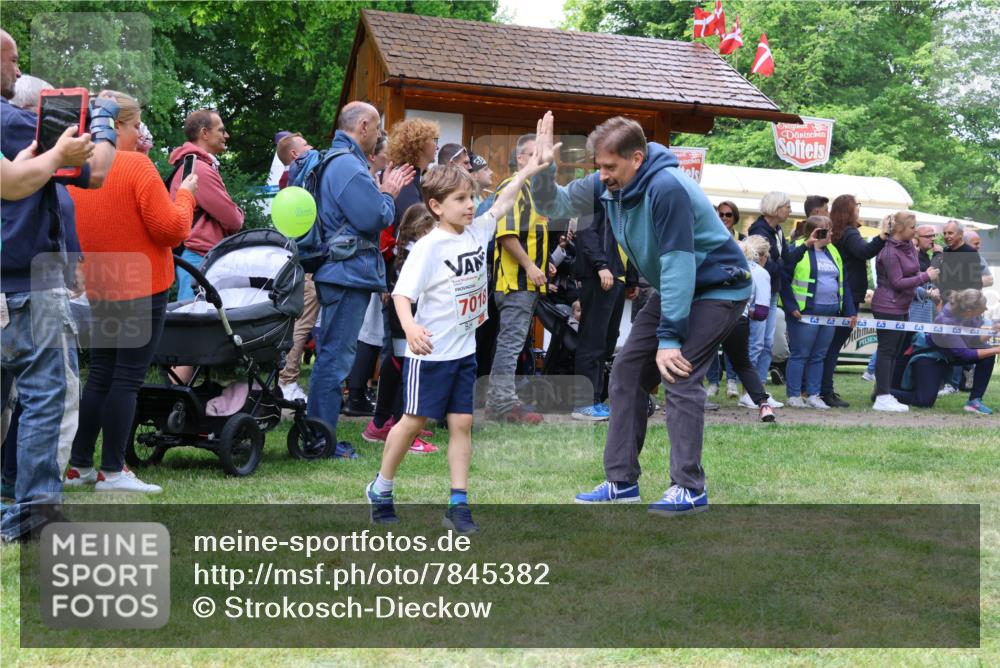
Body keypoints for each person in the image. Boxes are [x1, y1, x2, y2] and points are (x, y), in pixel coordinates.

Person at [531, 112, 752, 515]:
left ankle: (689, 487)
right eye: (598, 166)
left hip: (718, 287)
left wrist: (669, 339)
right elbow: (553, 204)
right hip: (677, 286)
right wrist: (544, 168)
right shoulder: (609, 184)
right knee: (627, 373)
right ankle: (621, 482)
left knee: (678, 371)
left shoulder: (666, 188)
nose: (602, 175)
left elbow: (679, 264)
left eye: (610, 167)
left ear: (636, 158)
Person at [365, 155, 550, 532]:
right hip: (432, 357)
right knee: (412, 422)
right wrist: (412, 328)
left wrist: (530, 170)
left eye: (471, 197)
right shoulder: (429, 247)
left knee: (462, 424)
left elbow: (501, 202)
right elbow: (401, 295)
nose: (470, 205)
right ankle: (381, 488)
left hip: (464, 354)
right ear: (436, 206)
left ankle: (458, 503)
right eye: (461, 200)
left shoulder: (477, 231)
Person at [1, 28, 118, 541]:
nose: (17, 71)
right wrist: (107, 125)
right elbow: (93, 173)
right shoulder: (10, 120)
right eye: (13, 61)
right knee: (47, 397)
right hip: (28, 283)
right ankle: (36, 513)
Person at [65, 90, 197, 493]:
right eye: (136, 123)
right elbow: (171, 229)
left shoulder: (76, 166)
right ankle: (113, 470)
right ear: (119, 125)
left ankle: (79, 465)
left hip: (101, 280)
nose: (141, 131)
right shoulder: (137, 166)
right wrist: (187, 192)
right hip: (143, 284)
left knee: (101, 375)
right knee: (127, 378)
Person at [306, 101, 413, 458]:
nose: (381, 135)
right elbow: (374, 217)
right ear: (364, 126)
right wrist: (388, 193)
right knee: (335, 358)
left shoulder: (335, 160)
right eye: (379, 128)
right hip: (346, 274)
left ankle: (321, 433)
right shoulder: (348, 166)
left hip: (340, 271)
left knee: (333, 355)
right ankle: (321, 439)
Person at [363, 204, 440, 455]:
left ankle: (380, 424)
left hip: (400, 322)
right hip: (407, 322)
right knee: (408, 374)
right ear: (423, 229)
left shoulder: (403, 252)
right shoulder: (416, 254)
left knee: (396, 368)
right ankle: (402, 430)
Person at [484, 133, 550, 424]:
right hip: (514, 283)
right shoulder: (514, 186)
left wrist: (543, 265)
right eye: (535, 154)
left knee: (513, 344)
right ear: (521, 158)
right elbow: (506, 235)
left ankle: (500, 401)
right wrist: (531, 267)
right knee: (510, 345)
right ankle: (502, 405)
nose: (543, 161)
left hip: (525, 281)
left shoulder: (532, 190)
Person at [819, 194, 889, 407]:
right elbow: (864, 251)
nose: (859, 209)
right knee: (832, 347)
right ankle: (825, 390)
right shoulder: (849, 232)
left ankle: (822, 388)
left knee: (828, 346)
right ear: (849, 210)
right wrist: (882, 236)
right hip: (848, 296)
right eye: (857, 205)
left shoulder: (838, 232)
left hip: (839, 293)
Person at [169, 109, 245, 301]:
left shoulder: (192, 164)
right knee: (193, 318)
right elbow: (233, 219)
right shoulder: (199, 169)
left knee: (193, 318)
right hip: (198, 258)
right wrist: (239, 213)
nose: (226, 135)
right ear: (204, 133)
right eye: (221, 130)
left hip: (194, 256)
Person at [782, 216, 857, 409]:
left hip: (830, 313)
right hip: (804, 313)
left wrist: (850, 311)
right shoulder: (798, 248)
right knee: (800, 354)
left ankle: (814, 394)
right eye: (826, 230)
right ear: (812, 231)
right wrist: (791, 307)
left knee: (819, 355)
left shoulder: (834, 251)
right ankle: (794, 394)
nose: (831, 233)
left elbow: (844, 283)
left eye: (830, 229)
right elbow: (784, 276)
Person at [571, 180, 630, 421]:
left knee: (607, 341)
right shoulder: (594, 193)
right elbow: (586, 232)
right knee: (592, 341)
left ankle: (595, 399)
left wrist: (632, 279)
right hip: (599, 276)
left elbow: (627, 240)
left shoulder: (624, 199)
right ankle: (583, 404)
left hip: (618, 277)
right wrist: (601, 265)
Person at [870, 211, 939, 412]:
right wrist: (925, 277)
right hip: (887, 305)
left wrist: (922, 276)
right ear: (900, 228)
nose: (915, 230)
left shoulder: (908, 246)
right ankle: (882, 396)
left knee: (897, 351)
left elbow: (912, 272)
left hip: (902, 305)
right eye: (912, 227)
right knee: (887, 350)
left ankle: (886, 392)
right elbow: (897, 282)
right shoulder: (889, 252)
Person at [892, 290, 1000, 413]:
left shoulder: (972, 316)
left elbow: (973, 340)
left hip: (951, 355)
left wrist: (993, 331)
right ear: (969, 311)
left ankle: (974, 402)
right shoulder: (946, 320)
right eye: (982, 307)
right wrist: (997, 349)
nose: (986, 308)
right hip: (931, 356)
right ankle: (884, 392)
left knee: (987, 353)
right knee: (924, 401)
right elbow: (965, 355)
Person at [747, 192, 792, 389]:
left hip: (773, 291)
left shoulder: (779, 230)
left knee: (767, 343)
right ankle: (749, 389)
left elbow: (783, 261)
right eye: (787, 206)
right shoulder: (758, 230)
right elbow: (762, 264)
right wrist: (780, 263)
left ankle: (760, 387)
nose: (790, 210)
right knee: (757, 342)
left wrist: (779, 262)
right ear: (775, 208)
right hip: (760, 293)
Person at [733, 235, 780, 421]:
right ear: (764, 255)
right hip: (738, 320)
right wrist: (749, 310)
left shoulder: (728, 265)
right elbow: (761, 312)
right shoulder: (760, 272)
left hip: (711, 317)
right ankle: (760, 401)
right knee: (746, 360)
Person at [708, 200, 745, 397]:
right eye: (721, 214)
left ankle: (732, 381)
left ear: (735, 217)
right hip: (712, 294)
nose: (724, 218)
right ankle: (713, 382)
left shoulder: (743, 239)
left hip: (735, 295)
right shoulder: (708, 236)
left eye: (728, 215)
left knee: (733, 341)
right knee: (710, 342)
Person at [932, 220, 983, 298]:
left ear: (960, 234)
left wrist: (964, 299)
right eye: (944, 233)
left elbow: (977, 282)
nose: (946, 236)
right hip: (944, 300)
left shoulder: (970, 252)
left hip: (962, 302)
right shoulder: (945, 251)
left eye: (950, 233)